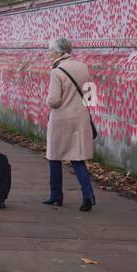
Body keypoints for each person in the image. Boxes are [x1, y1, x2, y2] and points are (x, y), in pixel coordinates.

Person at [42, 36, 96, 211]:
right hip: (81, 118)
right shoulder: (83, 67)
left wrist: (47, 99)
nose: (49, 53)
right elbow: (90, 97)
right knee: (78, 158)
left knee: (54, 156)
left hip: (61, 119)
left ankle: (56, 195)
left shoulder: (57, 71)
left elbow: (55, 101)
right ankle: (88, 194)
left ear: (58, 52)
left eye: (51, 50)